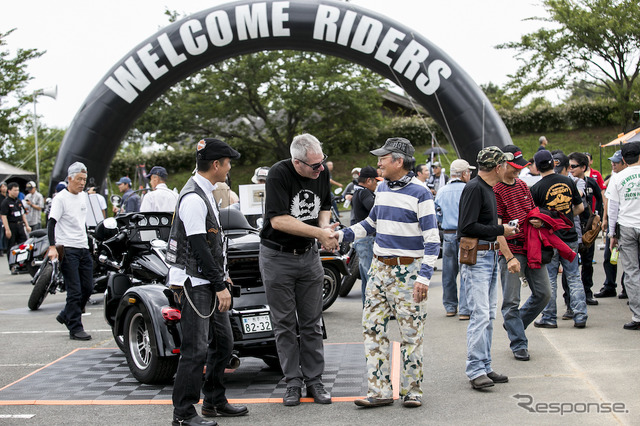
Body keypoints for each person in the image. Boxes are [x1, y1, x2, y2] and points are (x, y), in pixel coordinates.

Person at [339, 137, 439, 408]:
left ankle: (413, 391)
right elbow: (372, 223)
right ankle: (379, 391)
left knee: (411, 334)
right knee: (372, 329)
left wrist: (423, 278)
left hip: (409, 270)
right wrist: (343, 234)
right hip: (379, 269)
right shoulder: (382, 188)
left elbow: (432, 240)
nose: (378, 162)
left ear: (399, 161)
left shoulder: (421, 193)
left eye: (383, 158)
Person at [166, 138, 248, 426]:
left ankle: (214, 401)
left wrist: (221, 276)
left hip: (207, 280)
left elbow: (211, 244)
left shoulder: (205, 192)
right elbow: (198, 247)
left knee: (224, 344)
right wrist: (220, 285)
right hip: (194, 284)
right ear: (216, 165)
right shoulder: (192, 198)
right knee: (195, 350)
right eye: (227, 163)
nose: (229, 169)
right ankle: (183, 413)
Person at [259, 133, 338, 407]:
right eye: (314, 166)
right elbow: (280, 220)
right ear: (297, 162)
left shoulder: (321, 171)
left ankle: (315, 381)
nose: (320, 169)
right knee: (284, 324)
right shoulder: (278, 175)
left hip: (308, 255)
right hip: (277, 256)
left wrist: (325, 228)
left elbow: (325, 206)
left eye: (322, 163)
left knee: (312, 323)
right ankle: (292, 382)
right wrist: (319, 232)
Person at [458, 146, 516, 390]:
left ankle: (484, 365)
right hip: (479, 257)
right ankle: (475, 369)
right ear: (497, 166)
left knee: (488, 314)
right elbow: (467, 226)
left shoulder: (486, 188)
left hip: (488, 256)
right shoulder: (474, 188)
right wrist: (501, 230)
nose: (508, 168)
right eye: (505, 164)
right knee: (481, 314)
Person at [493, 145, 551, 362]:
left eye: (521, 167)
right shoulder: (496, 190)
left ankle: (513, 324)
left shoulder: (523, 186)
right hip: (512, 250)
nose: (519, 170)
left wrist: (538, 219)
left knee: (544, 293)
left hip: (532, 247)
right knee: (511, 300)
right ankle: (519, 342)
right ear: (503, 164)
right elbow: (496, 229)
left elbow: (532, 211)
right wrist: (508, 257)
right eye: (515, 166)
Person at [531, 150, 588, 329]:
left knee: (550, 279)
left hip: (549, 239)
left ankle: (549, 317)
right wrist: (567, 217)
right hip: (569, 236)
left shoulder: (536, 189)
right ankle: (580, 315)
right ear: (553, 164)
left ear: (537, 167)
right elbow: (579, 207)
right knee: (574, 276)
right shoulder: (569, 182)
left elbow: (534, 217)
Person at [47, 162, 92, 341]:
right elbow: (51, 223)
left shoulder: (83, 197)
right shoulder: (60, 198)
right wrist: (52, 247)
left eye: (84, 180)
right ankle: (75, 327)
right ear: (70, 178)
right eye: (79, 179)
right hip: (67, 248)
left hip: (83, 247)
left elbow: (82, 222)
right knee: (75, 290)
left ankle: (66, 314)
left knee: (88, 288)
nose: (82, 183)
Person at [434, 159, 474, 319]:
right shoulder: (468, 189)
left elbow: (437, 212)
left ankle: (450, 307)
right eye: (469, 172)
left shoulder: (442, 191)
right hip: (465, 235)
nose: (470, 175)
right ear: (463, 174)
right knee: (466, 271)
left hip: (448, 234)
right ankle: (465, 309)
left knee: (448, 273)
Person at [606, 142, 640, 330]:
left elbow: (613, 208)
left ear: (624, 159)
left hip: (626, 226)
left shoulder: (617, 178)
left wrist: (612, 234)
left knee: (632, 271)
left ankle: (638, 316)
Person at [567, 152, 603, 307]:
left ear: (583, 167)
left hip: (587, 227)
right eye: (569, 166)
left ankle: (587, 292)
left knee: (588, 262)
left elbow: (600, 199)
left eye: (574, 166)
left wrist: (599, 217)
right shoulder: (567, 182)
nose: (570, 169)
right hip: (572, 228)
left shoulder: (590, 182)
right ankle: (570, 298)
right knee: (571, 264)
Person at [596, 150, 628, 299]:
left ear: (625, 162)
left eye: (616, 162)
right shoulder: (614, 177)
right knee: (609, 256)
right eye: (612, 161)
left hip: (626, 221)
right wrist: (605, 219)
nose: (613, 164)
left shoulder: (627, 176)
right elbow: (608, 200)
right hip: (614, 221)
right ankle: (609, 285)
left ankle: (627, 287)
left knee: (629, 257)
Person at [348, 166, 378, 305]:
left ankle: (368, 306)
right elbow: (374, 210)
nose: (376, 184)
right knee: (371, 275)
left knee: (366, 275)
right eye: (375, 181)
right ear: (368, 180)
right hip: (367, 238)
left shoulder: (356, 192)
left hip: (360, 239)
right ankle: (374, 307)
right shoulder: (365, 193)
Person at [1, 182, 31, 254]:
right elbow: (4, 216)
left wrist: (27, 225)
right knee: (11, 247)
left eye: (17, 190)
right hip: (11, 226)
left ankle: (22, 263)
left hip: (20, 225)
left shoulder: (18, 201)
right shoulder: (6, 202)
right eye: (15, 190)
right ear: (9, 191)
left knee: (23, 245)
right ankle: (12, 264)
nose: (16, 192)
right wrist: (7, 229)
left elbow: (23, 214)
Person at [0, 182, 9, 256]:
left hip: (8, 217)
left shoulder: (8, 196)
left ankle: (6, 247)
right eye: (2, 187)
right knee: (1, 234)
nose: (4, 188)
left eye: (5, 186)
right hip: (1, 216)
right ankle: (1, 249)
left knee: (7, 233)